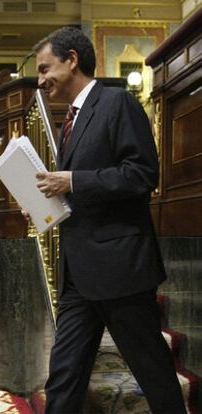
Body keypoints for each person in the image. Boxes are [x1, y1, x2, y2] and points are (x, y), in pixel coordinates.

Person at [27, 27, 187, 414]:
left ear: (72, 60)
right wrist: (43, 197)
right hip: (78, 273)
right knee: (63, 375)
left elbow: (142, 174)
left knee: (152, 371)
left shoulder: (116, 103)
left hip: (120, 268)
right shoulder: (71, 118)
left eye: (46, 68)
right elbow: (81, 190)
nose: (41, 79)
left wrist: (72, 180)